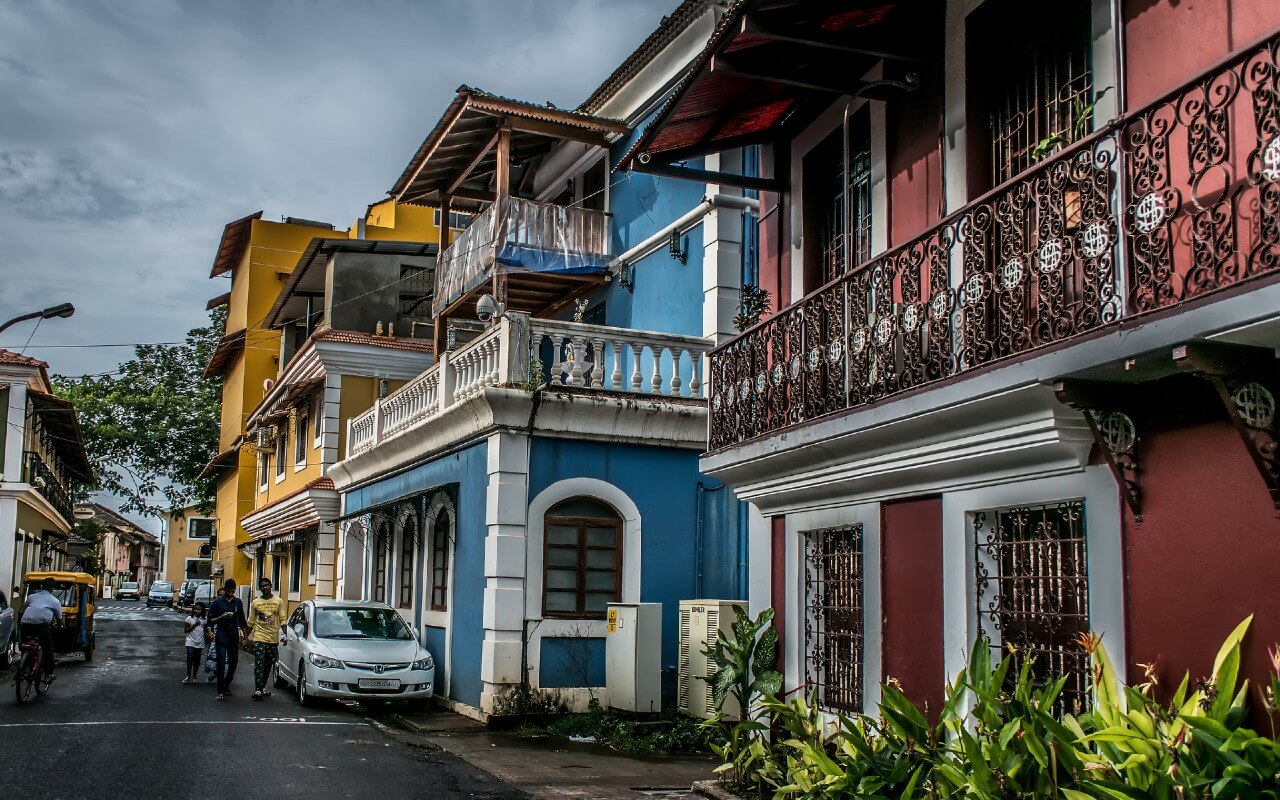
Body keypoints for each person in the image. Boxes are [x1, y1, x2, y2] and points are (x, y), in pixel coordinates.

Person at [206, 579, 247, 700]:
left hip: (233, 636)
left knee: (234, 662)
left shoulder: (238, 602)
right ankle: (220, 691)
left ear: (235, 589)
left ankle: (226, 682)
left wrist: (245, 636)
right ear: (225, 589)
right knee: (221, 663)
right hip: (221, 636)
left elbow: (242, 620)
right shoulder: (217, 603)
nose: (230, 592)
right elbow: (210, 620)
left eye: (232, 590)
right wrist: (220, 617)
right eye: (228, 590)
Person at [248, 577, 286, 700]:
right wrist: (246, 636)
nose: (265, 587)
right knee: (259, 664)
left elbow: (283, 619)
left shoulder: (278, 601)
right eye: (262, 586)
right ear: (260, 588)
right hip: (259, 637)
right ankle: (258, 690)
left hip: (273, 638)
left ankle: (262, 686)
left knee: (268, 665)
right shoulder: (255, 603)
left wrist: (286, 634)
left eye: (266, 585)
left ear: (271, 586)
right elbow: (251, 621)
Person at [20, 578, 63, 681]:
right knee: (48, 649)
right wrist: (59, 626)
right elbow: (59, 618)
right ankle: (48, 674)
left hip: (25, 624)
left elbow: (25, 608)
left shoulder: (31, 597)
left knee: (25, 644)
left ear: (41, 586)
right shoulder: (55, 601)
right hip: (41, 626)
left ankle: (24, 665)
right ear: (52, 589)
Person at [182, 602, 206, 684]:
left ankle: (195, 676)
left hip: (200, 642)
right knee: (190, 658)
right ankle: (188, 675)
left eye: (198, 609)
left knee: (197, 659)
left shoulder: (204, 619)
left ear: (202, 610)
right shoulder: (189, 618)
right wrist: (194, 625)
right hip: (190, 641)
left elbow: (206, 630)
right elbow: (186, 630)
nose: (196, 611)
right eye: (195, 609)